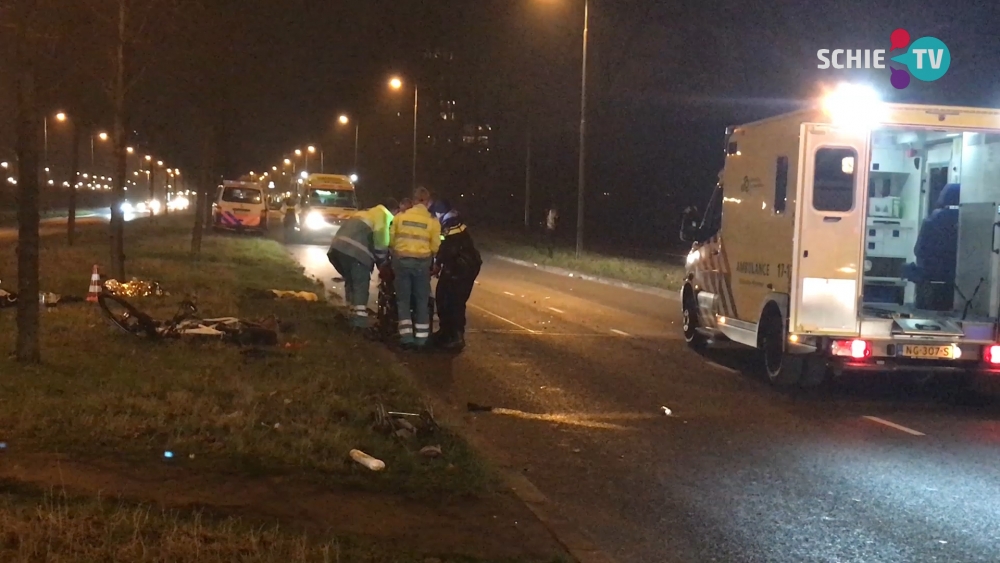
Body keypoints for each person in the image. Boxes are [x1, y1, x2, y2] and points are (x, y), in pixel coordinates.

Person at [327, 198, 397, 328]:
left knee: (351, 282)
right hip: (356, 252)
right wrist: (383, 264)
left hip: (337, 249)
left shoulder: (367, 212)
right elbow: (381, 244)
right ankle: (359, 323)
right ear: (394, 211)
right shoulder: (384, 216)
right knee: (360, 285)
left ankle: (350, 314)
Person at [389, 187, 441, 348]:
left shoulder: (400, 217)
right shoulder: (433, 221)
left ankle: (406, 338)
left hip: (402, 262)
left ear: (413, 200)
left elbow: (391, 240)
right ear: (427, 201)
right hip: (422, 264)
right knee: (421, 300)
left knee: (403, 300)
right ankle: (422, 339)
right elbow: (435, 246)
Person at [432, 200, 481, 350]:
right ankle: (445, 332)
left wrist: (438, 264)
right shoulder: (451, 221)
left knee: (455, 302)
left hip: (462, 268)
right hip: (457, 266)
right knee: (443, 297)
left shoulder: (451, 223)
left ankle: (456, 337)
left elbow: (450, 247)